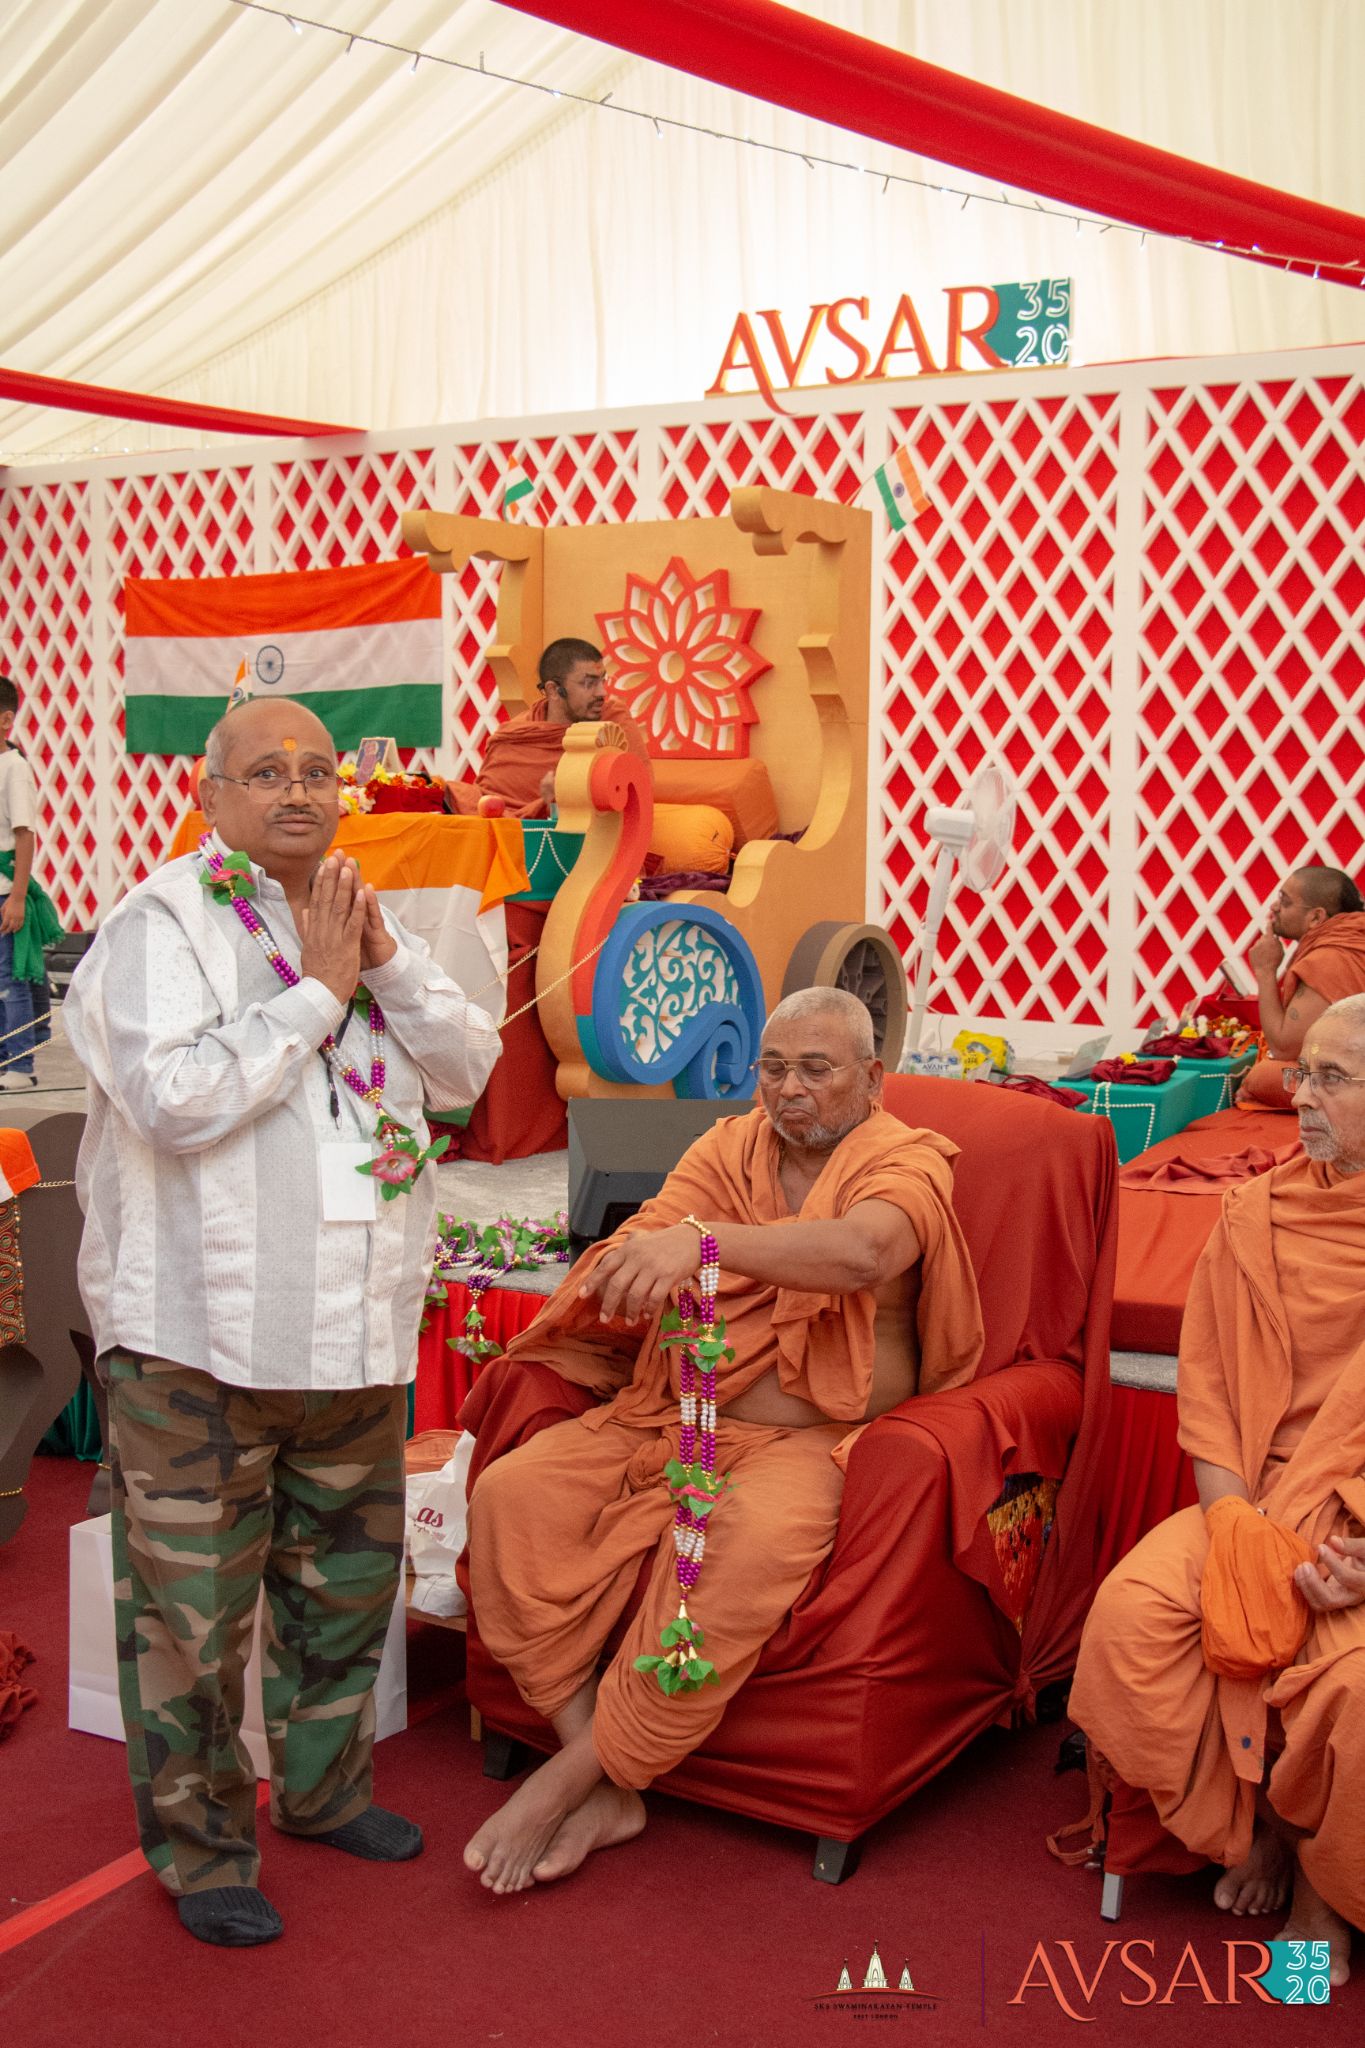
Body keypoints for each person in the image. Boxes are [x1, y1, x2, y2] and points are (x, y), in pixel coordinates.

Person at [63, 696, 501, 1948]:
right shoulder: (161, 924)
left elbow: (465, 1073)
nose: (299, 790)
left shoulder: (375, 912)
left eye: (318, 769)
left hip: (352, 1337)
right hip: (198, 1344)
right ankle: (202, 1853)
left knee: (344, 1594)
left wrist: (383, 960)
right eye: (266, 771)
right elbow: (173, 1097)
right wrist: (316, 992)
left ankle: (322, 1791)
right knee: (193, 1627)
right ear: (210, 797)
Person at [462, 988, 983, 1895]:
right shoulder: (727, 1148)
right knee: (513, 1495)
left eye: (816, 1070)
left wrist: (704, 1247)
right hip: (673, 1417)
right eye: (773, 1068)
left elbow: (862, 1253)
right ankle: (601, 1766)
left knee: (738, 1550)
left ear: (872, 1078)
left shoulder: (905, 1161)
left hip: (803, 1445)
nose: (789, 1090)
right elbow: (657, 1229)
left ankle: (570, 1779)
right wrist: (630, 1263)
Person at [1067, 992, 1365, 1987]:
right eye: (1301, 1069)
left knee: (1352, 1683)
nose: (1295, 1092)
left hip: (1357, 1526)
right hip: (1253, 1491)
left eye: (1329, 1077)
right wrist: (1235, 1521)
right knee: (1135, 1613)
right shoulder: (1259, 1209)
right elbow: (1210, 1395)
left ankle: (1326, 1891)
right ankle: (1264, 1828)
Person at [451, 638, 647, 817]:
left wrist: (563, 798)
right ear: (553, 690)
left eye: (603, 681)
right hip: (506, 831)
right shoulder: (517, 733)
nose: (602, 692)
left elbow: (638, 789)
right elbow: (487, 798)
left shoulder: (613, 721)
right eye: (589, 684)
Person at [0, 674, 62, 1091]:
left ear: (6, 720)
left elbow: (24, 834)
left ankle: (21, 1061)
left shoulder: (14, 768)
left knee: (12, 979)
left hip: (6, 892)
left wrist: (18, 897)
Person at [1248, 865, 1365, 1058]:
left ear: (1316, 917)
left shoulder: (1327, 960)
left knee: (1260, 1078)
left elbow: (1284, 1049)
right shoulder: (1347, 940)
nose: (1274, 907)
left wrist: (1265, 971)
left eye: (1285, 902)